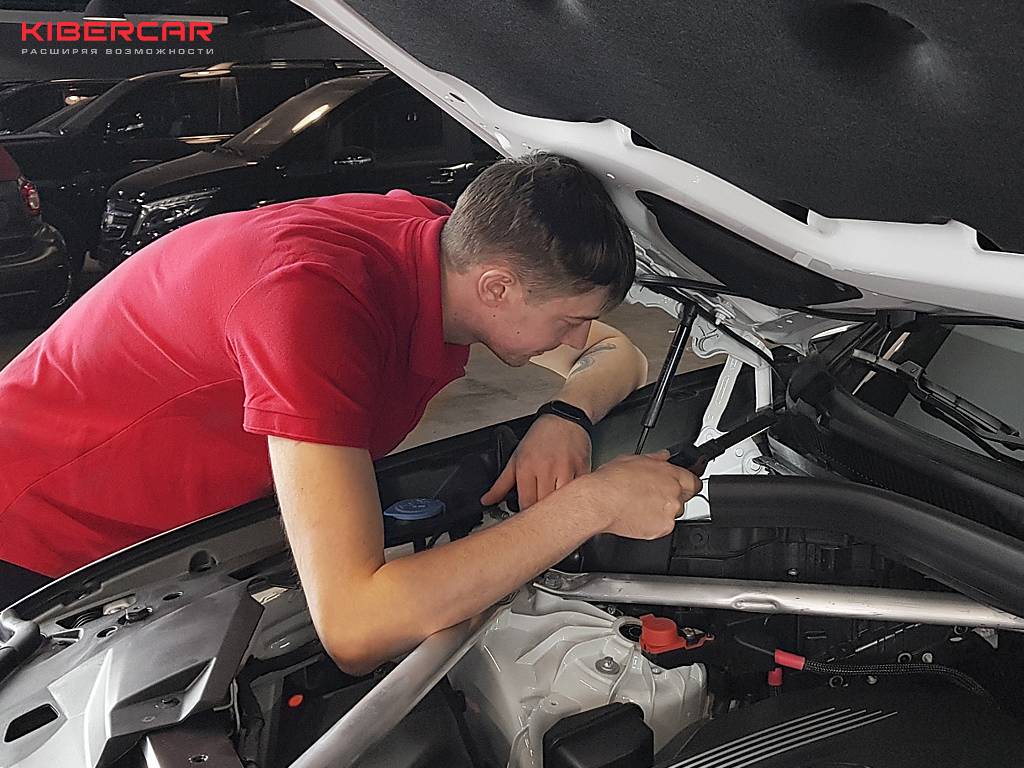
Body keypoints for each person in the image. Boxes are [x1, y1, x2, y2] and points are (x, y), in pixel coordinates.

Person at [0, 153, 701, 670]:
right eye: (569, 320)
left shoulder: (441, 247)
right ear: (497, 287)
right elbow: (357, 626)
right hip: (32, 533)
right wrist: (590, 506)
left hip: (161, 532)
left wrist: (565, 416)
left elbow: (618, 356)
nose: (576, 338)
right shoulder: (315, 306)